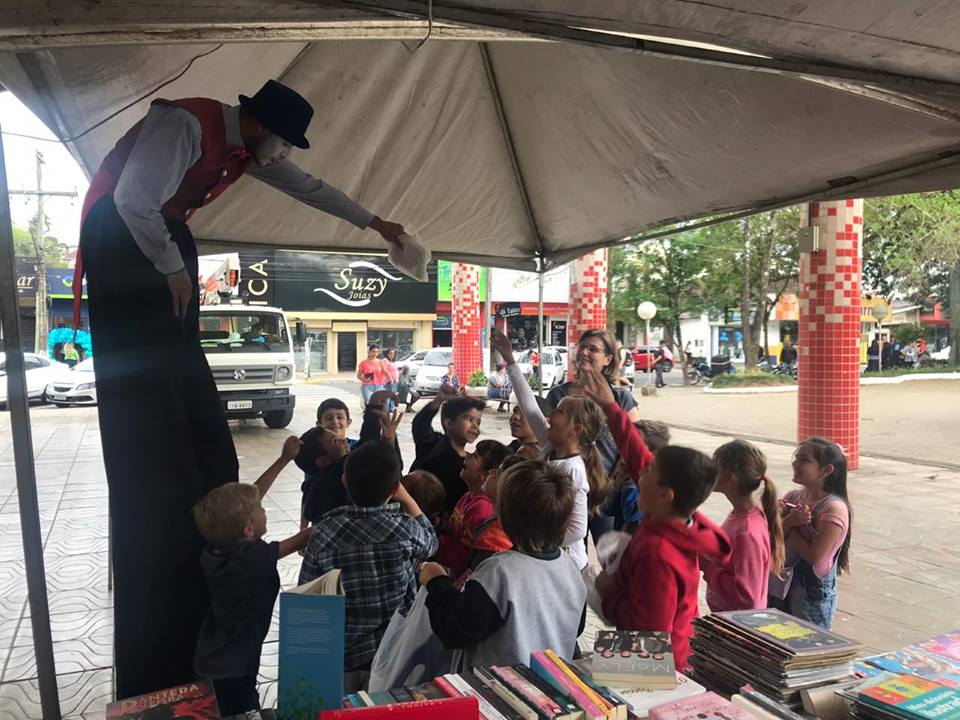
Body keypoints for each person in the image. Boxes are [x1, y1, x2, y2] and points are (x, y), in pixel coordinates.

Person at [75, 78, 406, 695]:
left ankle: (207, 504)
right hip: (122, 236)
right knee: (154, 414)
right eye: (284, 142)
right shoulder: (184, 125)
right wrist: (173, 270)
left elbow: (310, 188)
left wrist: (377, 223)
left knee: (198, 419)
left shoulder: (247, 151)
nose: (285, 156)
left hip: (162, 234)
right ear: (257, 125)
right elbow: (132, 201)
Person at [299, 441, 438, 693]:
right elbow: (431, 542)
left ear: (344, 481)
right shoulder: (405, 529)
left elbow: (309, 598)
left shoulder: (323, 533)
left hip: (344, 657)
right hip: (394, 651)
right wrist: (406, 496)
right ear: (395, 488)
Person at [420, 459, 587, 669]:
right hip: (550, 683)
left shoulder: (499, 572)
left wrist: (436, 582)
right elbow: (576, 627)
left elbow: (455, 630)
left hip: (500, 689)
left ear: (505, 516)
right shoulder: (571, 568)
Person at [192, 436, 312, 715]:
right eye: (261, 510)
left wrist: (284, 460)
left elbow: (252, 494)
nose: (263, 507)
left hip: (212, 657)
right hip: (233, 668)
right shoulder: (251, 560)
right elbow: (303, 537)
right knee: (242, 709)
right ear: (248, 529)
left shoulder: (217, 546)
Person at [596, 441, 731, 671]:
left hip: (660, 668)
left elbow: (649, 640)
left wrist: (607, 591)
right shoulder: (677, 527)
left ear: (665, 495)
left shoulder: (656, 551)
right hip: (673, 651)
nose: (639, 472)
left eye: (648, 471)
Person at [494, 330, 603, 572]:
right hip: (548, 559)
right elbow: (529, 406)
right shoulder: (549, 445)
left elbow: (577, 530)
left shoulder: (574, 471)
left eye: (559, 412)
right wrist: (510, 360)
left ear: (577, 429)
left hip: (568, 565)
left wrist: (539, 541)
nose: (550, 415)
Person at [546, 329, 641, 543]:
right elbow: (545, 439)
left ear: (608, 359)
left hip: (606, 497)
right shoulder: (558, 396)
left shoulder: (621, 398)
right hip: (563, 493)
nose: (585, 352)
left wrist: (613, 482)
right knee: (566, 555)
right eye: (582, 347)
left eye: (593, 349)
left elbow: (636, 444)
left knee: (612, 562)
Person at [770, 437, 852, 630]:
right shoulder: (793, 497)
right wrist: (786, 520)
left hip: (810, 594)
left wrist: (790, 525)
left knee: (808, 646)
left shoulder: (833, 508)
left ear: (826, 470)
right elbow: (771, 536)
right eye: (796, 458)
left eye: (804, 460)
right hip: (781, 584)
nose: (795, 464)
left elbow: (814, 556)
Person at [703, 440, 785, 612]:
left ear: (730, 477)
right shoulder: (741, 515)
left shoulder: (747, 531)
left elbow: (748, 597)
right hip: (727, 620)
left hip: (738, 629)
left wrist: (709, 568)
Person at [434, 440, 512, 579]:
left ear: (486, 474)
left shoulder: (482, 508)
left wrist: (432, 541)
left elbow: (464, 557)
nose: (468, 455)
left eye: (475, 456)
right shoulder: (467, 496)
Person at [410, 390, 485, 512]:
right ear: (449, 423)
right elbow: (420, 426)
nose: (475, 427)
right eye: (469, 419)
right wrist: (438, 401)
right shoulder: (434, 445)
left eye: (478, 422)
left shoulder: (471, 463)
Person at [297, 426, 351, 528]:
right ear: (323, 461)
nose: (344, 440)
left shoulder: (314, 484)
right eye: (335, 441)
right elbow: (368, 442)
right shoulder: (336, 474)